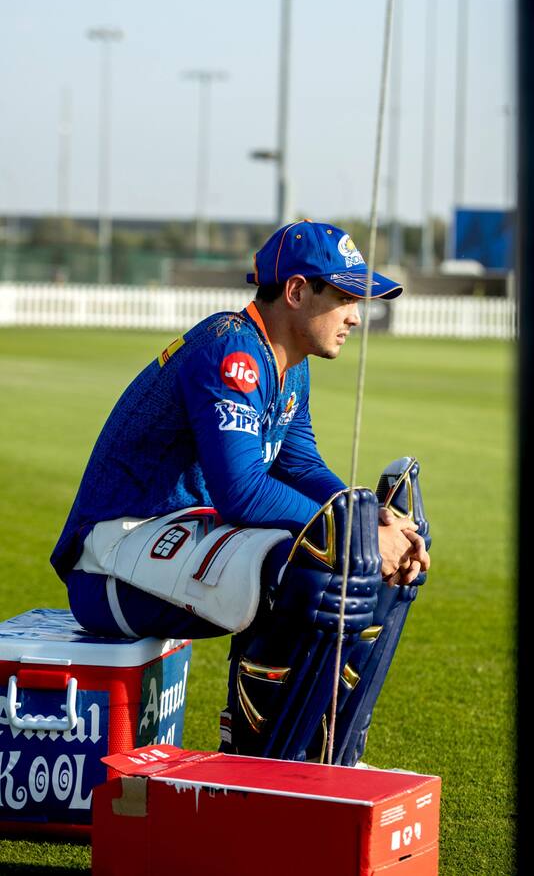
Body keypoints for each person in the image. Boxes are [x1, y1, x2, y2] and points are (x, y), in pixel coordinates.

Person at [50, 220, 431, 764]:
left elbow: (299, 463)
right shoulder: (232, 350)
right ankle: (256, 762)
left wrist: (371, 520)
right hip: (109, 559)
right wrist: (351, 529)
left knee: (355, 554)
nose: (355, 316)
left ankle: (330, 758)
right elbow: (243, 493)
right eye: (345, 297)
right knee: (313, 564)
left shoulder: (287, 362)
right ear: (296, 291)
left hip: (167, 541)